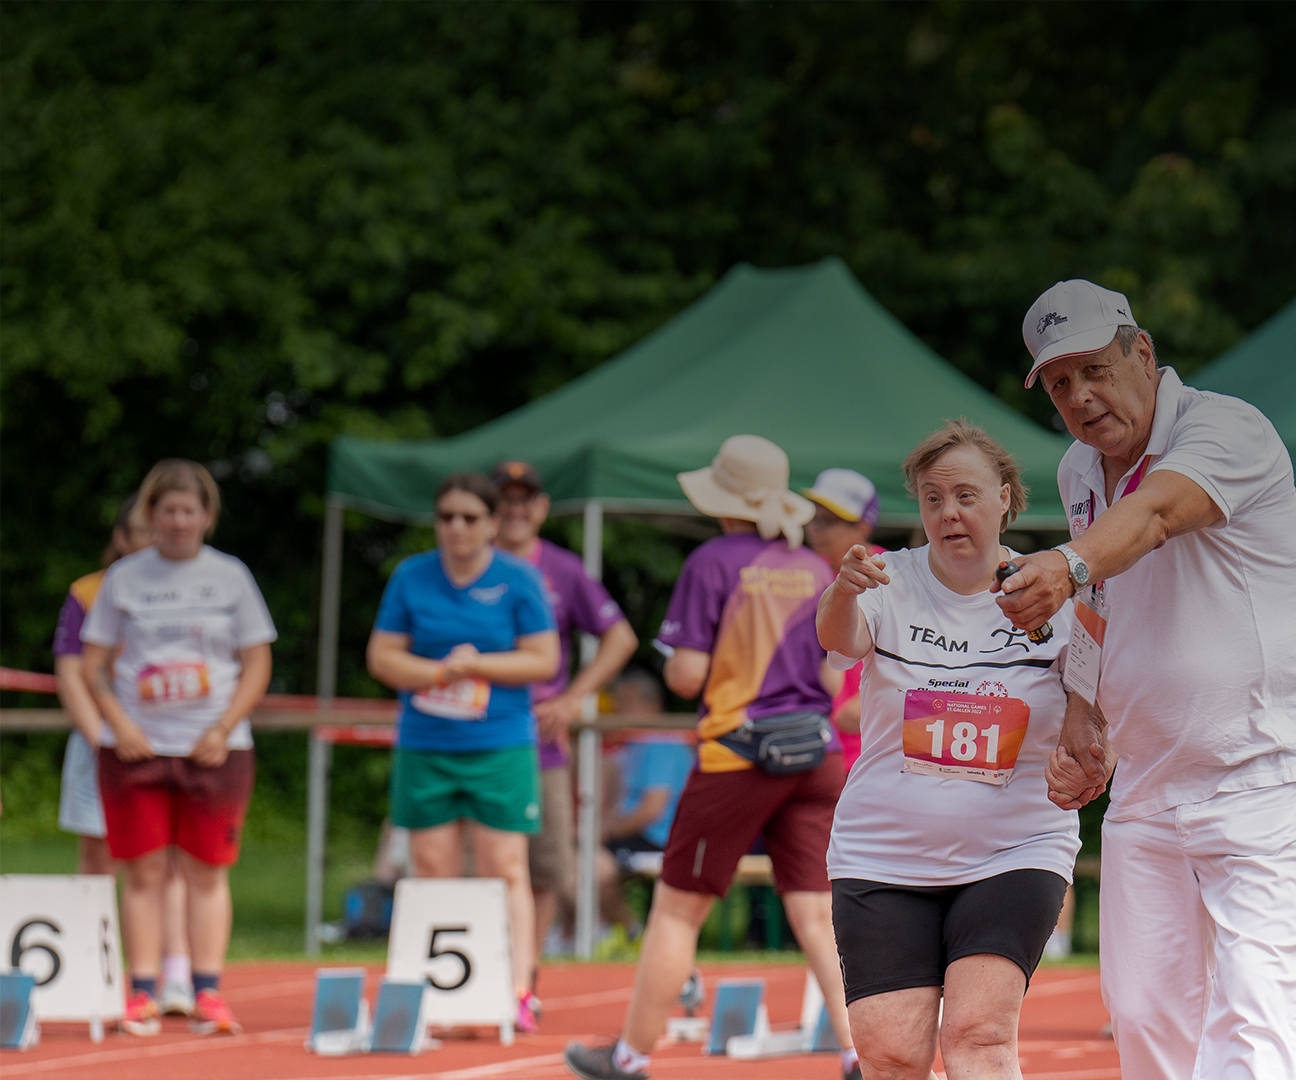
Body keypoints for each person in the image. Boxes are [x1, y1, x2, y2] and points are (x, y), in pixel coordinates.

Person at [995, 279, 1296, 1079]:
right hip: (1145, 788)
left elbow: (1156, 516)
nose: (1081, 396)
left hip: (1262, 779)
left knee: (1256, 1028)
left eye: (1096, 369)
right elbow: (1100, 598)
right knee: (1144, 1023)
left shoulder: (1227, 428)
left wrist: (1064, 562)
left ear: (1144, 352)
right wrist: (1083, 718)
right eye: (1060, 384)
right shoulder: (1076, 472)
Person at [565, 434, 859, 1080]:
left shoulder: (713, 562)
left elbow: (687, 677)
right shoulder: (814, 568)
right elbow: (837, 681)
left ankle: (630, 1056)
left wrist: (686, 656)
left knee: (678, 907)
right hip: (816, 753)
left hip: (738, 755)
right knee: (815, 911)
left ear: (725, 502)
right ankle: (858, 1051)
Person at [818, 420, 1082, 1080]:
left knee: (979, 1035)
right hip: (882, 851)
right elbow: (840, 640)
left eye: (965, 495)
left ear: (1005, 498)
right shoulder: (885, 578)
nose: (948, 513)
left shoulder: (1052, 593)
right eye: (931, 499)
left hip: (1014, 847)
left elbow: (1097, 697)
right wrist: (843, 588)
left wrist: (1089, 740)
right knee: (891, 1052)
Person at [81, 460, 275, 1037]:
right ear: (151, 516)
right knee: (142, 871)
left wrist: (222, 726)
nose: (178, 522)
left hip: (214, 748)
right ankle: (141, 991)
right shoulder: (124, 579)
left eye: (189, 511)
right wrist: (119, 724)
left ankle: (207, 990)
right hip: (137, 748)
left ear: (207, 518)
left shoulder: (231, 576)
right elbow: (93, 665)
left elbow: (257, 662)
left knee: (207, 871)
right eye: (167, 511)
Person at [366, 472, 560, 1034]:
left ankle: (519, 986)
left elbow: (542, 659)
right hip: (426, 742)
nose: (457, 527)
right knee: (430, 865)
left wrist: (478, 665)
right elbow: (382, 655)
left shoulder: (519, 579)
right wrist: (434, 672)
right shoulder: (411, 575)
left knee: (504, 866)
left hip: (499, 743)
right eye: (447, 516)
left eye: (470, 517)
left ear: (493, 524)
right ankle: (438, 993)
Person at [490, 461, 638, 985]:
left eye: (524, 499)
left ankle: (523, 976)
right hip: (475, 736)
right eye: (504, 499)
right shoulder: (464, 565)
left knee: (544, 866)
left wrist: (575, 697)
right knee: (473, 862)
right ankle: (484, 973)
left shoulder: (561, 568)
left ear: (541, 508)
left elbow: (621, 636)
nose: (514, 509)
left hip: (539, 740)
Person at [54, 495, 196, 1017]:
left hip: (167, 743)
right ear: (121, 537)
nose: (153, 538)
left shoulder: (187, 590)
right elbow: (73, 673)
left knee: (173, 860)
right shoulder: (89, 592)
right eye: (140, 530)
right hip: (105, 745)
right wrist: (103, 739)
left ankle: (174, 977)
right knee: (100, 859)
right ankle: (92, 971)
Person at [803, 469, 886, 773]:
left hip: (870, 742)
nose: (816, 529)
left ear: (863, 527)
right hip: (817, 742)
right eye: (813, 518)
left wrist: (875, 705)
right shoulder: (804, 573)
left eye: (828, 521)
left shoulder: (890, 574)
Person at [598, 670, 694, 930]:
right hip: (641, 834)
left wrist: (605, 831)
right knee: (573, 860)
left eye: (624, 704)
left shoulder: (660, 741)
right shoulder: (635, 745)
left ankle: (630, 932)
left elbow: (652, 809)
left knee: (591, 866)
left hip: (659, 838)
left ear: (651, 705)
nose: (617, 711)